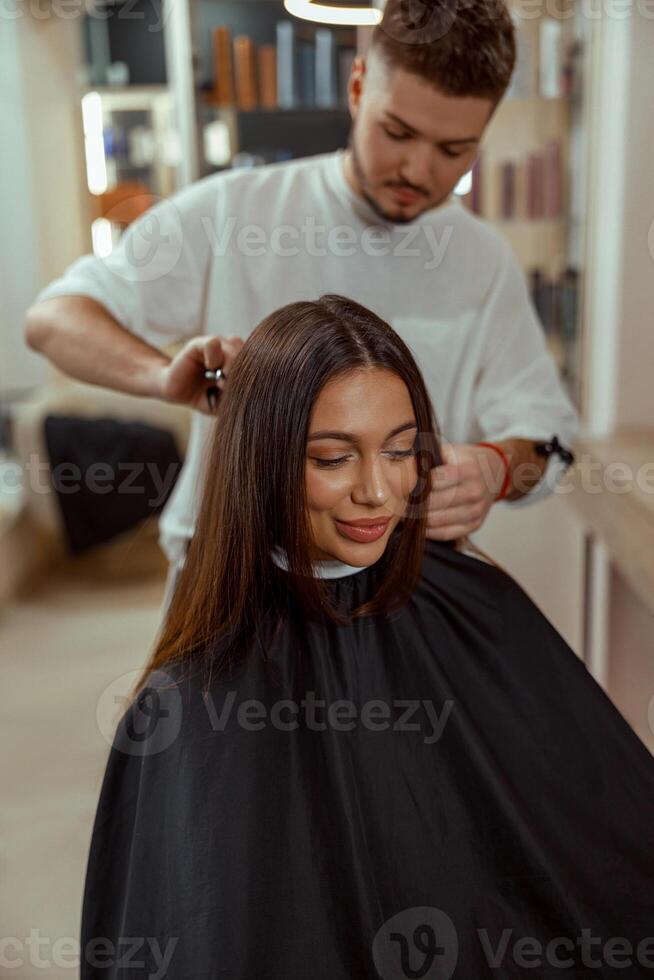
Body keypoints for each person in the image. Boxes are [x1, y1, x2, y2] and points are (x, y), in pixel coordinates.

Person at [80, 296, 653, 980]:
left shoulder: (478, 605)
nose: (379, 492)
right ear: (259, 460)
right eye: (332, 458)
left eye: (402, 451)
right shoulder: (198, 699)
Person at [24, 0, 579, 610]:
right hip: (233, 587)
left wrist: (496, 468)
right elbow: (55, 318)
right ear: (359, 85)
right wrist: (160, 376)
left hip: (399, 593)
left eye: (454, 150)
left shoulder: (483, 262)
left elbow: (549, 435)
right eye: (398, 132)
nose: (418, 169)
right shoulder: (233, 214)